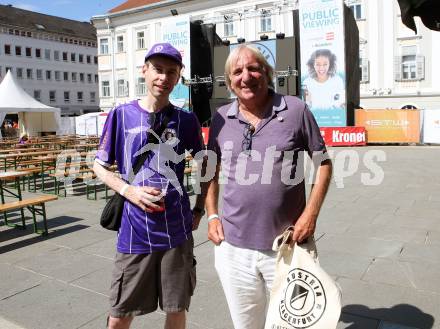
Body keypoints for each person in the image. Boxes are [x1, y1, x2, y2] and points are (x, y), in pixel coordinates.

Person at [205, 44, 332, 329]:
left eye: (253, 68)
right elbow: (209, 172)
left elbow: (324, 164)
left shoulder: (296, 109)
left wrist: (310, 214)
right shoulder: (221, 118)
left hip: (287, 247)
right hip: (233, 249)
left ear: (267, 73)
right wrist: (212, 215)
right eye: (237, 71)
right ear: (229, 82)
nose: (246, 76)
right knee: (245, 325)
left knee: (294, 324)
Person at [93, 42, 205, 329]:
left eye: (171, 72)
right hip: (134, 232)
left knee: (176, 309)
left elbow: (206, 166)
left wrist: (200, 209)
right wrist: (129, 190)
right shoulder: (121, 114)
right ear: (144, 70)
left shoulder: (186, 120)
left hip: (176, 232)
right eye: (157, 69)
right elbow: (99, 165)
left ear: (178, 77)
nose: (163, 78)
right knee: (119, 315)